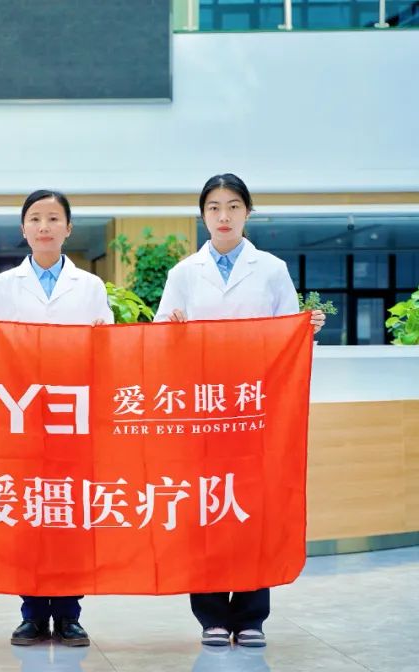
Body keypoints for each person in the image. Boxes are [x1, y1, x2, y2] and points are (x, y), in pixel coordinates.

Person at [155, 173, 325, 649]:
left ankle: (252, 615)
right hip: (202, 407)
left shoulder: (270, 269)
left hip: (255, 407)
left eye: (233, 206)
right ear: (202, 215)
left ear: (248, 212)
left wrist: (305, 328)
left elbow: (287, 337)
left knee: (252, 507)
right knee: (206, 505)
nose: (223, 216)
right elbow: (160, 337)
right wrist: (172, 327)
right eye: (214, 207)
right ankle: (210, 614)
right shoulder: (184, 273)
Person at [0, 189, 111, 647]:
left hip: (73, 417)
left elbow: (107, 352)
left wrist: (102, 338)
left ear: (68, 228)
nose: (44, 227)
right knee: (29, 513)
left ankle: (70, 613)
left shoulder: (90, 287)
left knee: (71, 512)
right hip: (21, 416)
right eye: (35, 218)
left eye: (54, 219)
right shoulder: (2, 286)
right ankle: (32, 613)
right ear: (23, 229)